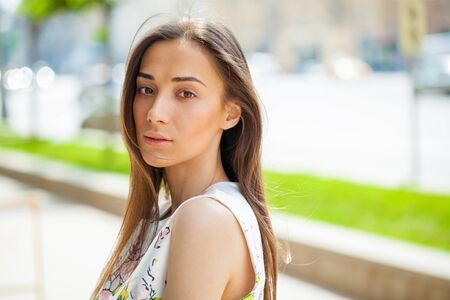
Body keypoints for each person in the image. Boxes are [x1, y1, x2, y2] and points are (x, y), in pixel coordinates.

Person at [91, 15, 278, 300]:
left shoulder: (205, 218)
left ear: (230, 113)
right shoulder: (170, 212)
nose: (155, 113)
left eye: (185, 93)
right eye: (146, 89)